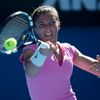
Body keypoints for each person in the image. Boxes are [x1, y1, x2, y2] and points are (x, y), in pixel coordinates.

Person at [20, 5, 100, 100]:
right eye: (42, 24)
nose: (48, 27)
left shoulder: (69, 49)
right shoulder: (31, 50)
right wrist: (42, 53)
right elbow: (30, 72)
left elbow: (95, 68)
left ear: (58, 25)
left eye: (52, 22)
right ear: (35, 29)